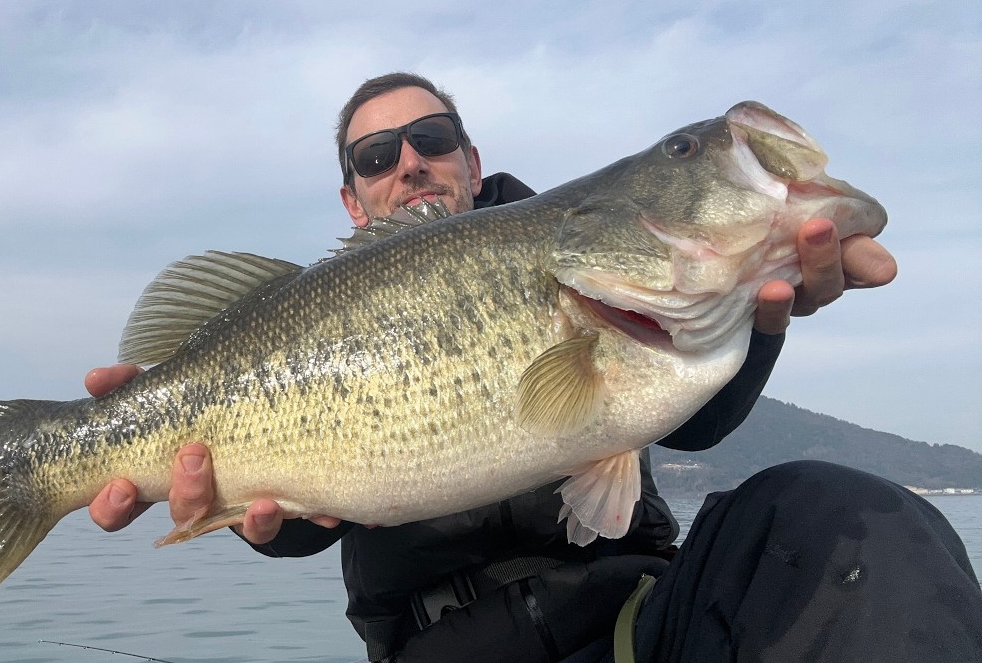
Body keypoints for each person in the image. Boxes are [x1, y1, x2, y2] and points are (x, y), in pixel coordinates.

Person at [84, 74, 982, 661]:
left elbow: (691, 416)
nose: (409, 162)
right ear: (354, 200)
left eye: (432, 137)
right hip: (440, 647)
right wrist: (259, 520)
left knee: (842, 517)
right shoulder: (308, 308)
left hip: (642, 624)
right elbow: (315, 520)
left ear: (471, 162)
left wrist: (756, 307)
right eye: (374, 156)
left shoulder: (579, 254)